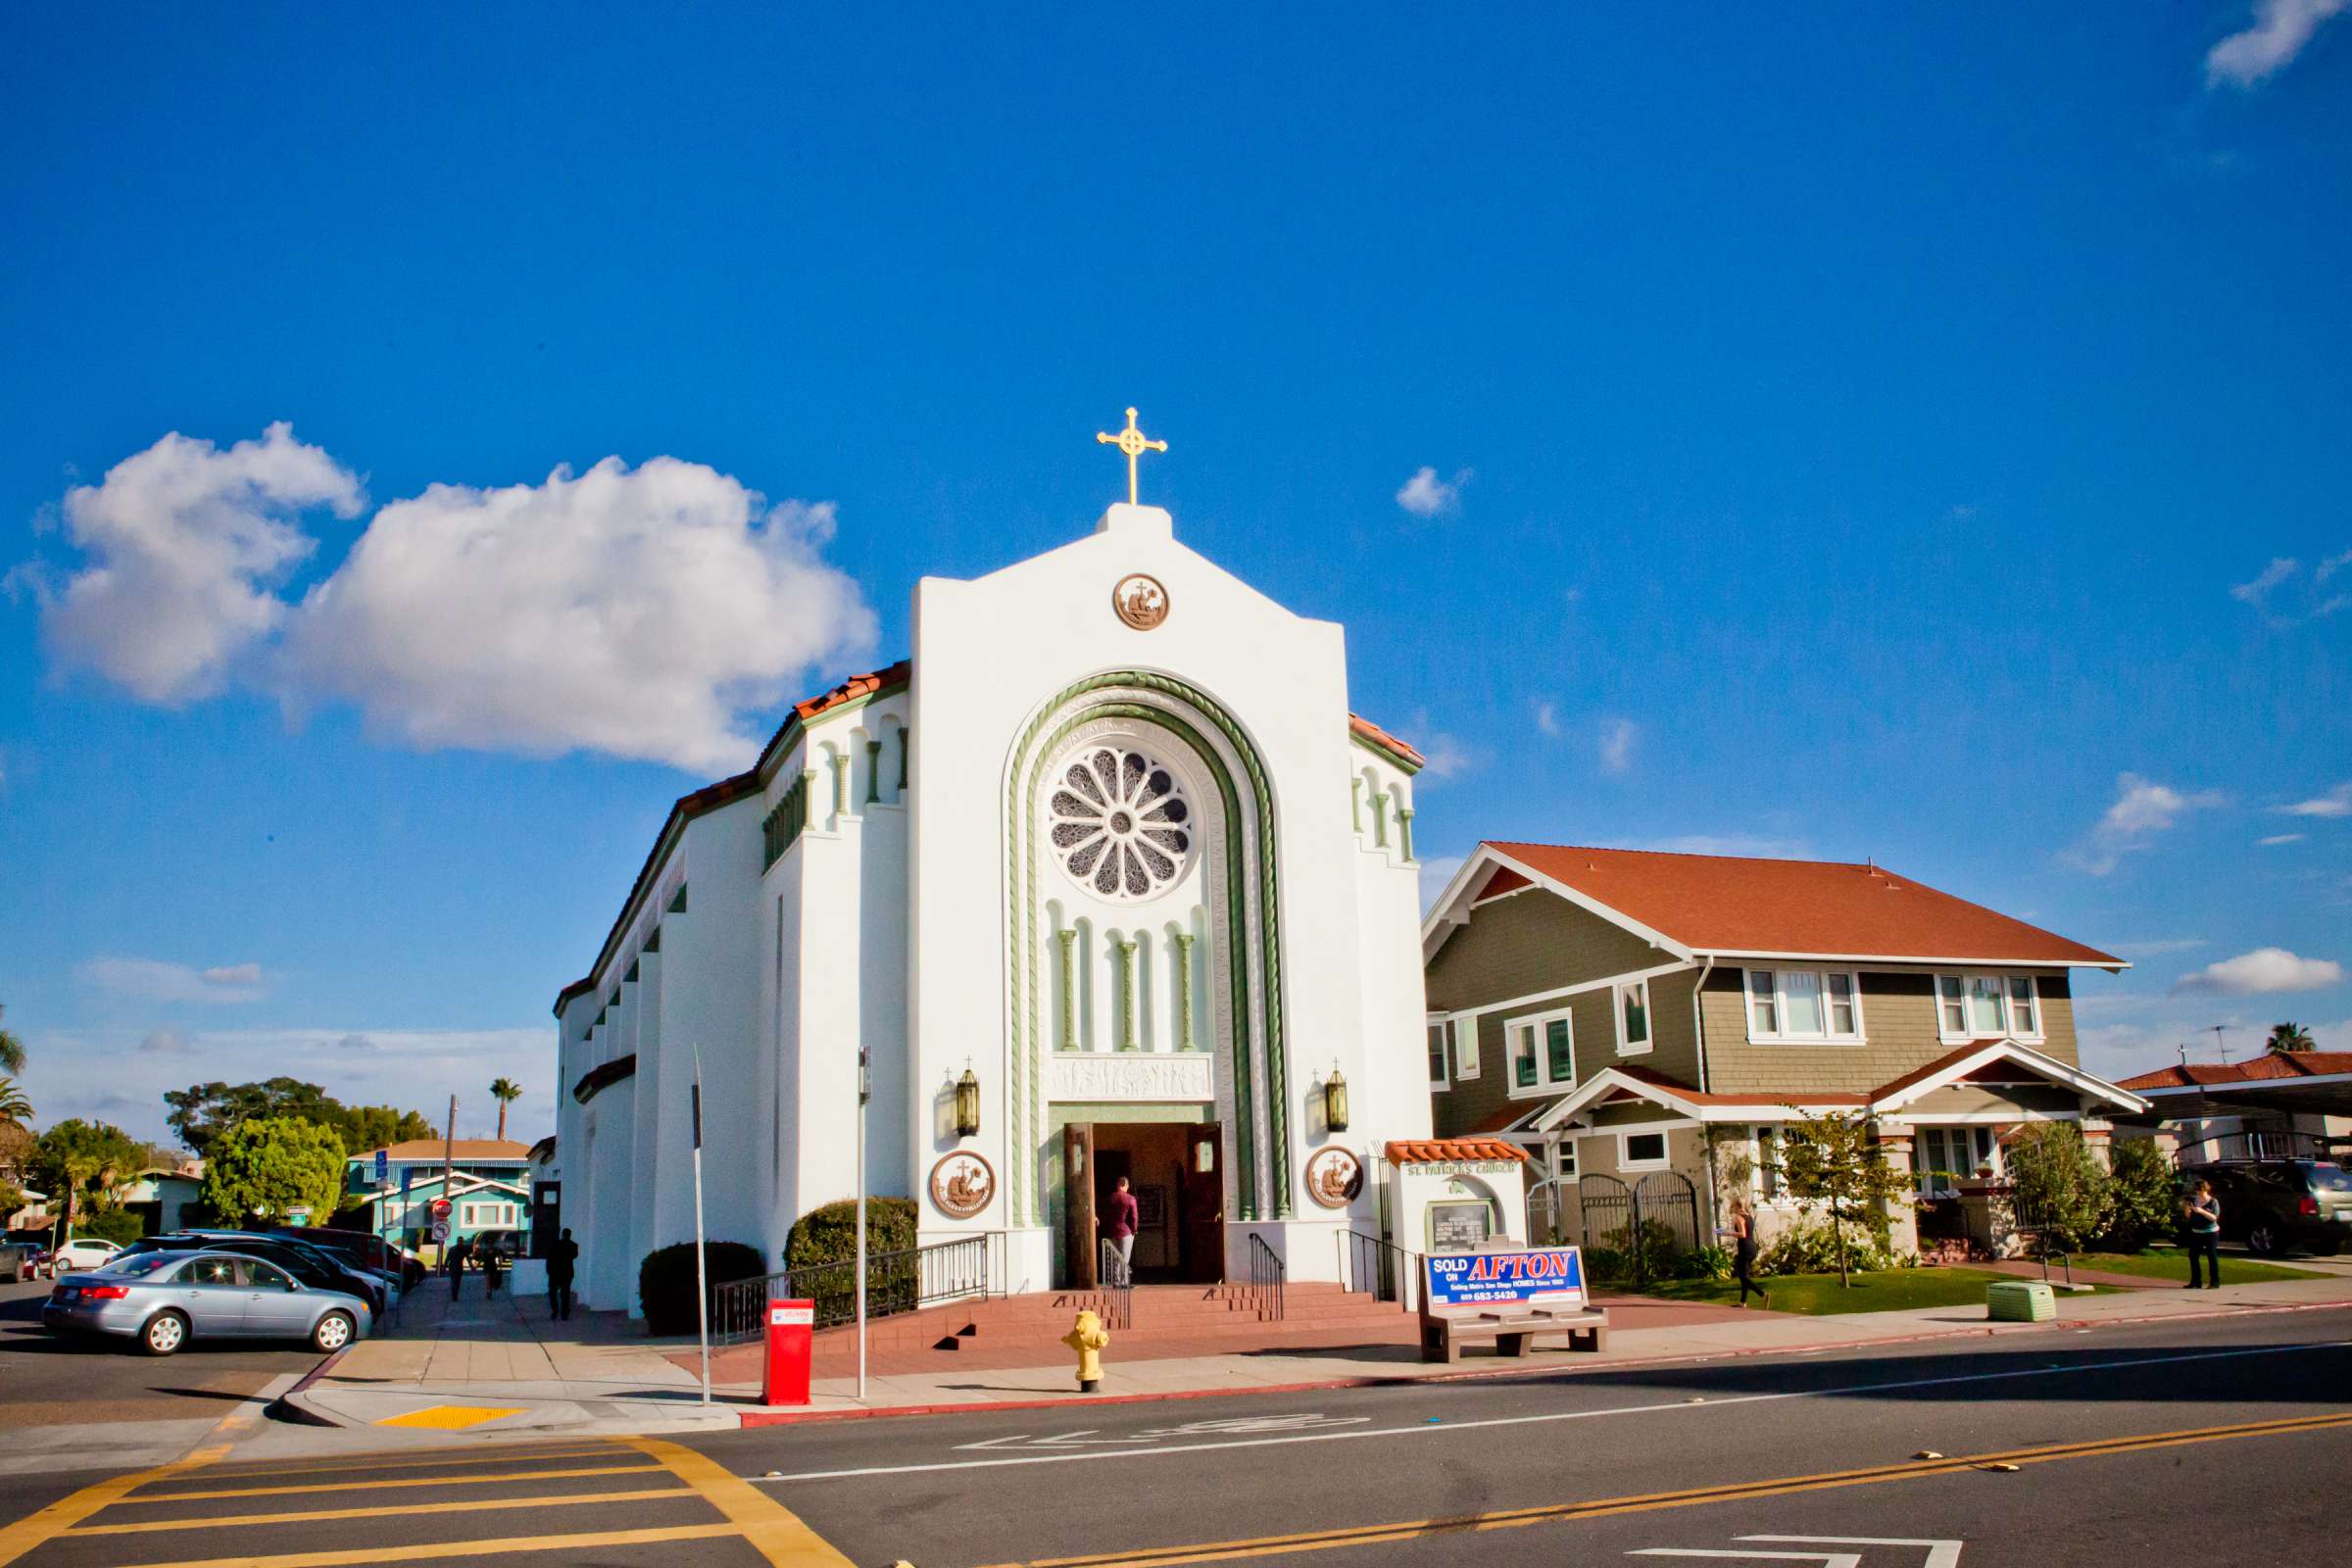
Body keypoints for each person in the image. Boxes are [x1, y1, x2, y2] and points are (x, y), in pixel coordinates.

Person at [1727, 1197, 1768, 1309]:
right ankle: (1742, 1302)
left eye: (1733, 1206)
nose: (1732, 1208)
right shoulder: (1749, 1216)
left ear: (1736, 1206)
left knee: (1743, 1276)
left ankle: (1762, 1294)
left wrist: (1729, 1233)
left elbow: (1742, 1234)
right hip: (1752, 1247)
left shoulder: (1739, 1217)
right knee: (1744, 1275)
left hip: (1745, 1248)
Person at [2183, 1178, 2223, 1290]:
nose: (2199, 1193)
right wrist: (2188, 1208)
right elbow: (2188, 1216)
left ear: (2206, 1190)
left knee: (2211, 1255)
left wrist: (2201, 1211)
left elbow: (2214, 1217)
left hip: (2211, 1232)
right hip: (2197, 1232)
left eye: (2201, 1190)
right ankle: (2196, 1281)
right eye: (2197, 1190)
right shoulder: (2194, 1200)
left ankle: (2215, 1282)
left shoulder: (2213, 1201)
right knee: (2193, 1255)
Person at [1102, 1175, 1139, 1283]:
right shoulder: (1130, 1199)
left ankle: (1116, 1280)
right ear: (1126, 1185)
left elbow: (1106, 1214)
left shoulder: (1111, 1198)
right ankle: (1123, 1281)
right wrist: (1134, 1229)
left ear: (1118, 1185)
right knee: (1124, 1257)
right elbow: (1134, 1216)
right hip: (1126, 1231)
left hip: (1113, 1231)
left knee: (1115, 1257)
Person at [547, 1227, 579, 1321]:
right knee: (565, 1294)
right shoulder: (574, 1245)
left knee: (552, 1293)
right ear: (570, 1235)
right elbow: (575, 1256)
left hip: (555, 1273)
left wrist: (549, 1271)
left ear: (562, 1234)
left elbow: (550, 1257)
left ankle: (555, 1311)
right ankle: (564, 1314)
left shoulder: (555, 1244)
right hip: (567, 1273)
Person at [444, 1236, 468, 1300]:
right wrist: (444, 1267)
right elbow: (447, 1259)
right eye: (459, 1241)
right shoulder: (452, 1249)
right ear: (457, 1242)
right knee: (454, 1281)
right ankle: (454, 1294)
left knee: (458, 1282)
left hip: (459, 1267)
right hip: (452, 1267)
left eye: (461, 1242)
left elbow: (468, 1258)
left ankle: (455, 1293)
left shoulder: (464, 1249)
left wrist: (472, 1267)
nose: (460, 1243)